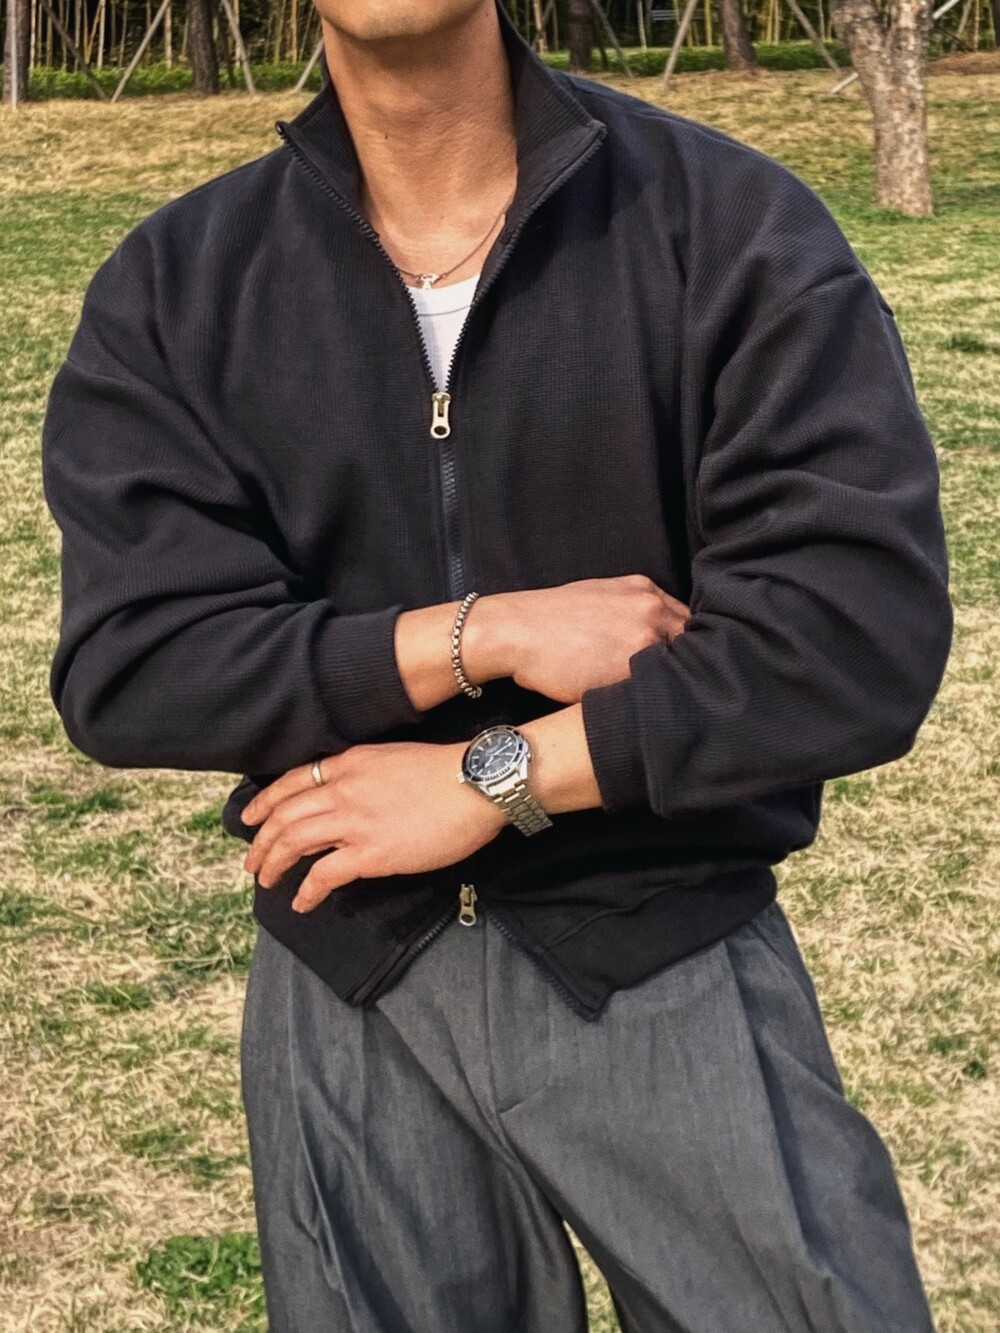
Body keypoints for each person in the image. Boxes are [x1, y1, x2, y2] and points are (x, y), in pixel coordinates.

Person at [41, 0, 953, 1328]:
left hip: (663, 949)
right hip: (351, 982)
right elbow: (134, 663)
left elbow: (851, 634)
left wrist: (495, 778)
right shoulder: (178, 284)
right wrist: (482, 634)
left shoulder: (728, 225)